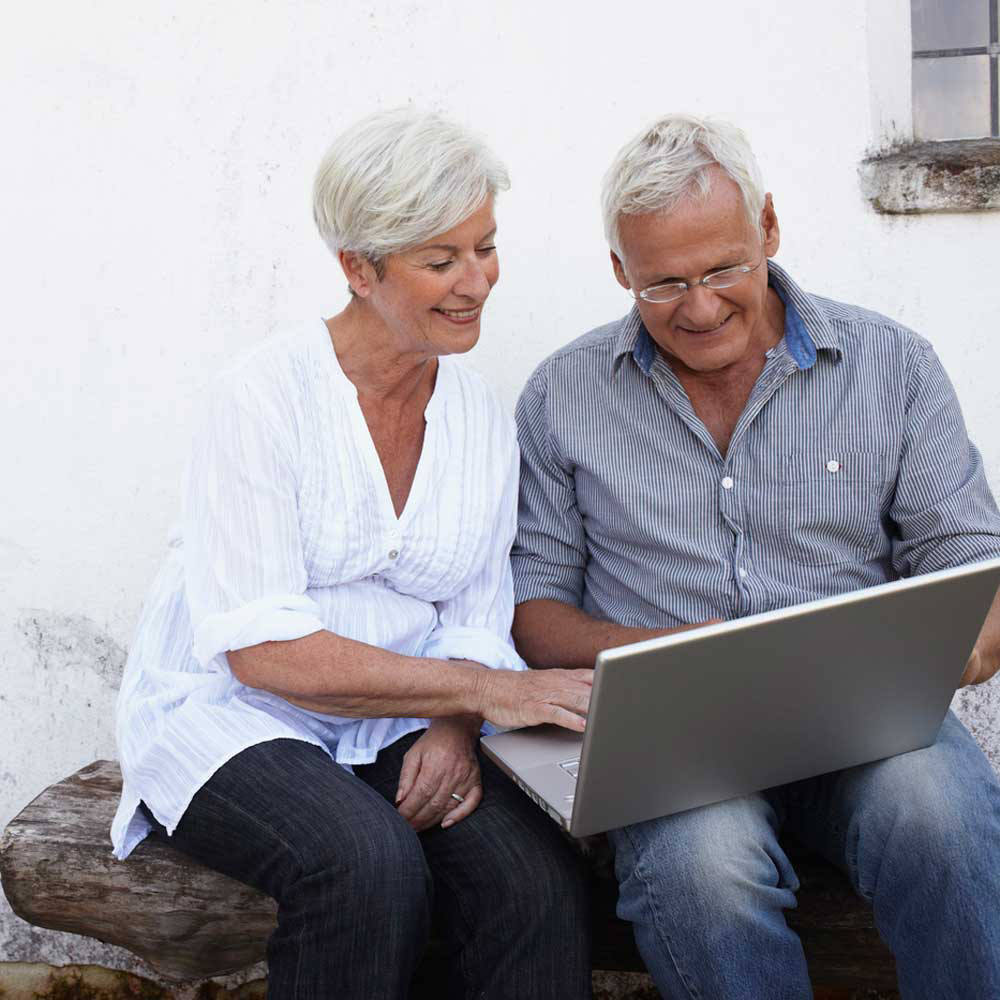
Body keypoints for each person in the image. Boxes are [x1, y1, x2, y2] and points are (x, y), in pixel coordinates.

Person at [510, 114, 1000, 999]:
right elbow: (536, 611)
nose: (698, 309)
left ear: (768, 228)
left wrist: (965, 639)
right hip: (676, 739)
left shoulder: (893, 366)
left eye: (723, 270)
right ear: (620, 271)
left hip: (870, 723)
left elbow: (968, 556)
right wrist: (677, 657)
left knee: (942, 817)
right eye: (661, 285)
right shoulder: (561, 396)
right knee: (704, 872)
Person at [111, 108, 594, 1000]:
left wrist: (455, 727)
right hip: (235, 712)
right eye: (440, 261)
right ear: (358, 269)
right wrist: (484, 695)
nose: (477, 282)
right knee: (365, 864)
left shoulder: (479, 416)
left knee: (537, 890)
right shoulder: (261, 399)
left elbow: (478, 618)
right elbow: (265, 650)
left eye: (484, 247)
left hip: (406, 715)